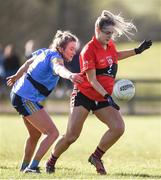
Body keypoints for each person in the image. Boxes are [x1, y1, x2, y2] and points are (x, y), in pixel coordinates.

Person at [46, 10, 152, 175]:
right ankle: (51, 161)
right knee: (72, 136)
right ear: (97, 30)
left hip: (102, 97)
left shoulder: (110, 45)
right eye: (107, 33)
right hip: (84, 95)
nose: (110, 36)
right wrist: (108, 97)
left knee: (118, 128)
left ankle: (96, 157)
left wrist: (137, 51)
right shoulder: (88, 50)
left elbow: (114, 56)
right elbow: (92, 80)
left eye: (112, 33)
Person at [6, 30, 83, 173]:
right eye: (71, 49)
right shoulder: (56, 58)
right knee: (52, 133)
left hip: (19, 94)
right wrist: (70, 75)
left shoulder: (45, 51)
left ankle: (24, 167)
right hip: (25, 97)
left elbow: (28, 63)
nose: (74, 52)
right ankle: (32, 167)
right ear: (61, 48)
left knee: (35, 135)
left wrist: (16, 76)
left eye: (75, 49)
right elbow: (59, 69)